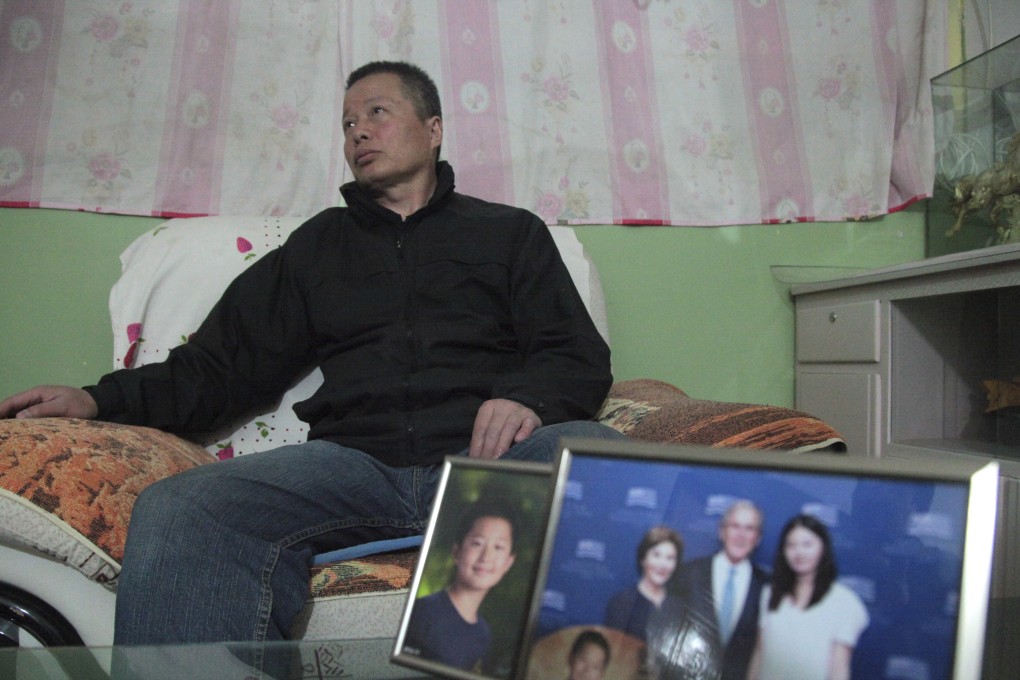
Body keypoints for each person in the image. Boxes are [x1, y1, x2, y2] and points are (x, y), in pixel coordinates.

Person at [0, 60, 621, 652]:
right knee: (183, 507)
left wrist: (527, 399)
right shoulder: (318, 246)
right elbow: (221, 367)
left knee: (604, 461)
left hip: (490, 463)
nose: (359, 133)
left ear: (433, 130)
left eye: (377, 112)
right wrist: (96, 399)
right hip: (354, 468)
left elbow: (575, 353)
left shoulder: (509, 233)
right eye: (349, 124)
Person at [747, 514, 869, 680]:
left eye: (807, 544)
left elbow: (839, 670)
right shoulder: (770, 593)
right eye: (791, 545)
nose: (799, 552)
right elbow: (759, 654)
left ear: (823, 547)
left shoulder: (844, 603)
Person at [402, 499, 518, 672]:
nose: (486, 557)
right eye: (477, 543)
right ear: (456, 552)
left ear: (508, 563)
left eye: (498, 547)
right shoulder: (422, 613)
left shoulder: (483, 634)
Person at [678, 500, 768, 680]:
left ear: (758, 538)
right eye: (735, 526)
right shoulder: (689, 574)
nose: (741, 535)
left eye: (749, 529)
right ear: (722, 531)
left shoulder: (766, 586)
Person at [603, 525, 686, 641]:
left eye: (670, 558)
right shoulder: (621, 604)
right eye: (656, 555)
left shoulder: (680, 608)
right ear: (643, 560)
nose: (663, 565)